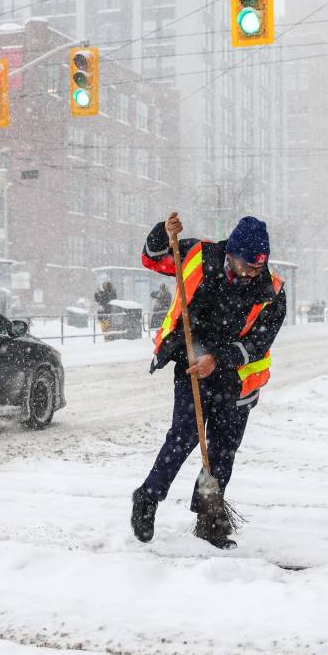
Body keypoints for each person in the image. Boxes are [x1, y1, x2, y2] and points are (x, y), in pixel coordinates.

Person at [130, 212, 286, 548]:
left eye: (257, 267)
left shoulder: (272, 291)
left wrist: (218, 359)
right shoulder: (200, 256)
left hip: (235, 376)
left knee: (224, 449)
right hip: (191, 361)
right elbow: (152, 258)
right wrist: (162, 232)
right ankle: (147, 498)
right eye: (245, 265)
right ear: (230, 253)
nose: (250, 273)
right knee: (183, 437)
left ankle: (209, 518)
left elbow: (258, 343)